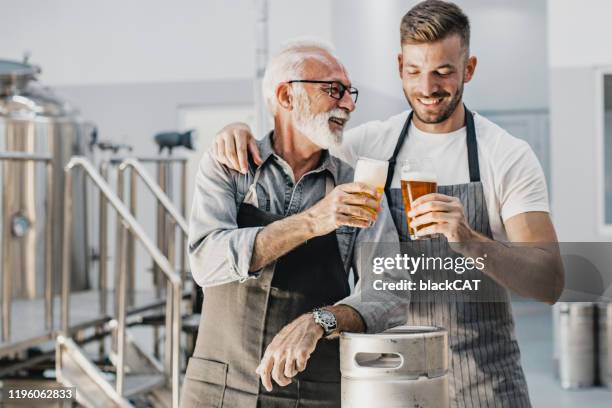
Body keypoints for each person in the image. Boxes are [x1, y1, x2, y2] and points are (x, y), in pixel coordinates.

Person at [210, 1, 564, 407]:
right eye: (414, 72)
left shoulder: (506, 155)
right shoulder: (364, 148)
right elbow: (293, 142)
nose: (428, 88)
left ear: (468, 69)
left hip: (483, 383)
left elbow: (549, 282)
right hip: (387, 381)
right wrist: (235, 131)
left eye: (443, 72)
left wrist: (469, 240)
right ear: (399, 67)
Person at [181, 40, 408, 408]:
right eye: (333, 90)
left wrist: (321, 320)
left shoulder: (358, 188)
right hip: (215, 390)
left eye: (350, 93)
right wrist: (313, 221)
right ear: (287, 96)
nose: (348, 104)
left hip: (313, 393)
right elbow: (206, 263)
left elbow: (390, 294)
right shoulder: (229, 166)